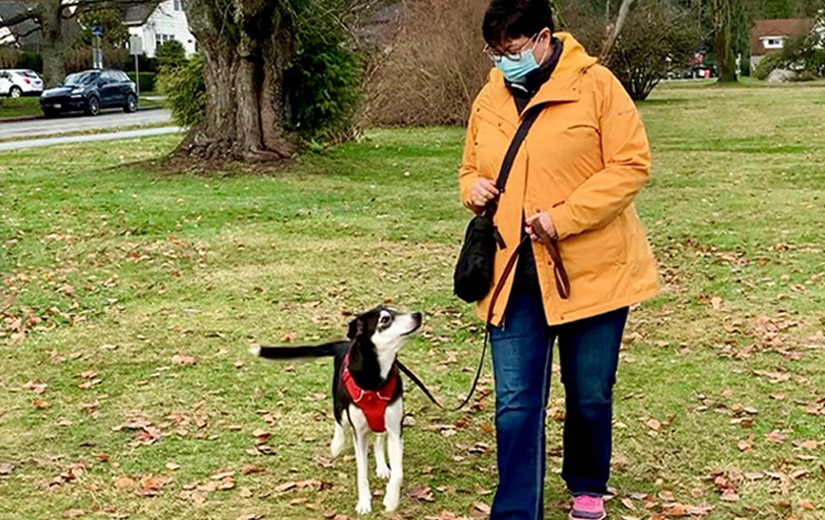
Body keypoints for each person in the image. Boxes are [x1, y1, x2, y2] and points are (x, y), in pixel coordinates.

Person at [457, 1, 660, 519]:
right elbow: (469, 168)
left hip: (591, 272)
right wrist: (472, 189)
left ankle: (588, 484)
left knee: (589, 391)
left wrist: (563, 218)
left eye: (512, 49)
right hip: (511, 274)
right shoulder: (489, 97)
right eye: (495, 52)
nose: (503, 61)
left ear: (543, 36)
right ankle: (515, 511)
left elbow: (630, 165)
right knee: (515, 403)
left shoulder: (597, 86)